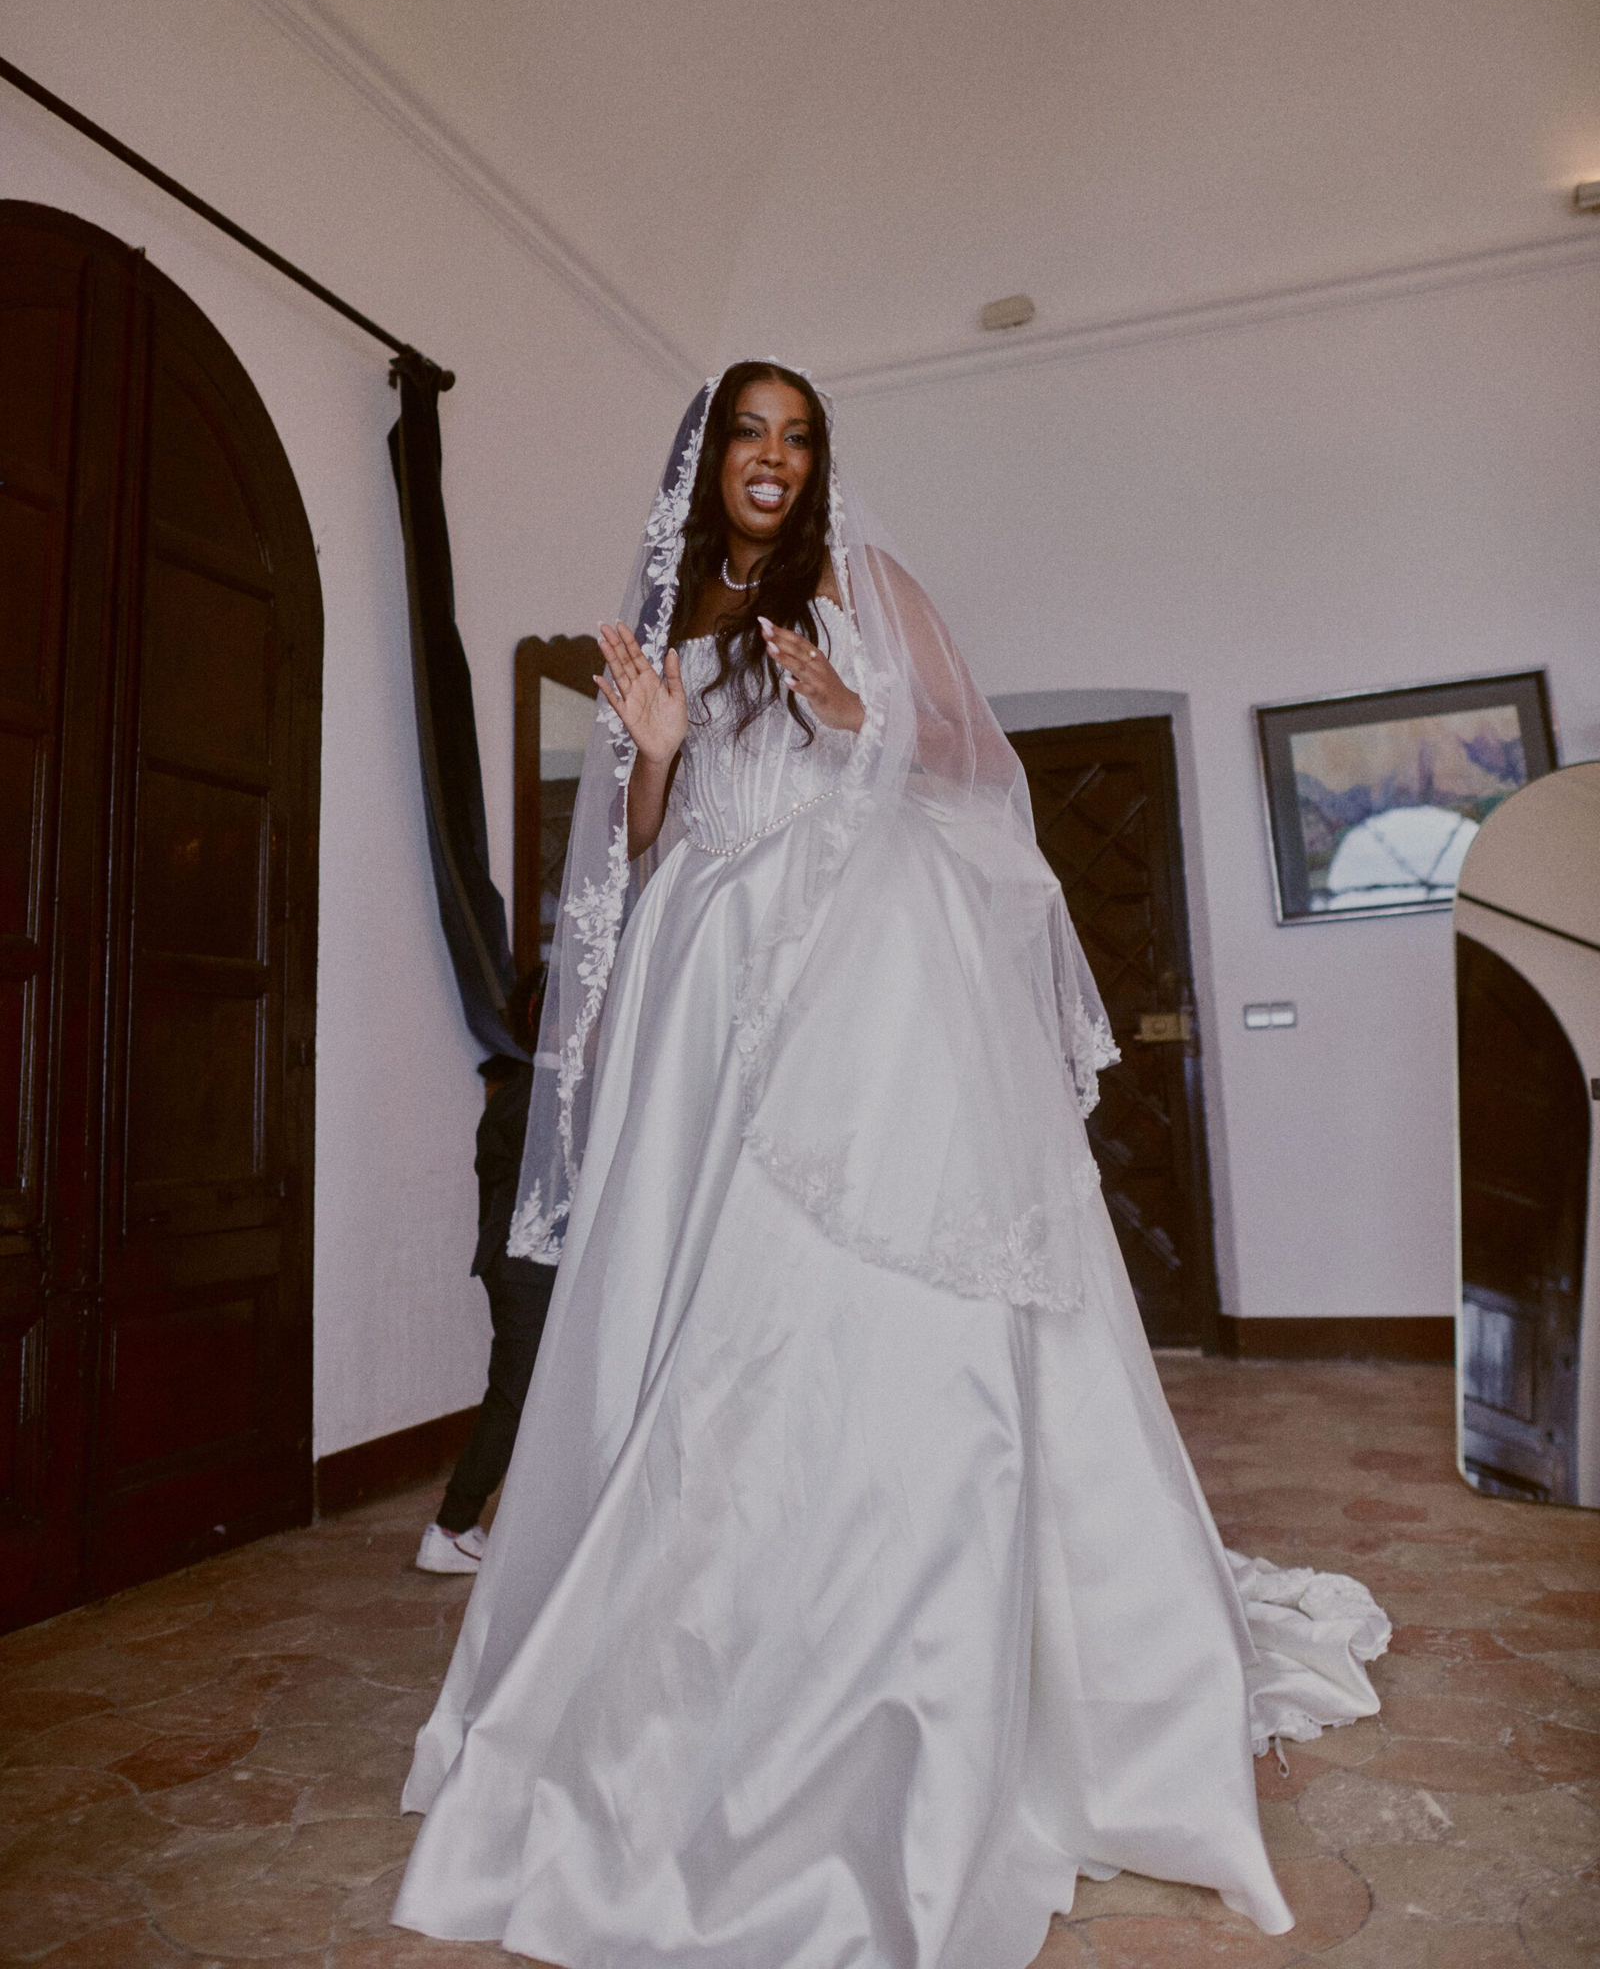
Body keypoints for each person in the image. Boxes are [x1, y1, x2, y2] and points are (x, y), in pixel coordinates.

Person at [394, 364, 1388, 1965]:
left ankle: (908, 1629)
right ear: (707, 459)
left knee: (850, 1307)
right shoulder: (667, 617)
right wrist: (647, 751)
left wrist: (860, 725)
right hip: (701, 985)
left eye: (798, 439)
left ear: (816, 466)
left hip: (855, 973)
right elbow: (645, 861)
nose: (775, 462)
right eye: (750, 436)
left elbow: (973, 780)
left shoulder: (863, 582)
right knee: (693, 1317)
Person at [415, 968, 555, 1573]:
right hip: (523, 1267)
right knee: (514, 1394)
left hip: (526, 1262)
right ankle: (451, 1526)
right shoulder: (533, 1098)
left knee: (534, 1393)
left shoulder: (540, 1090)